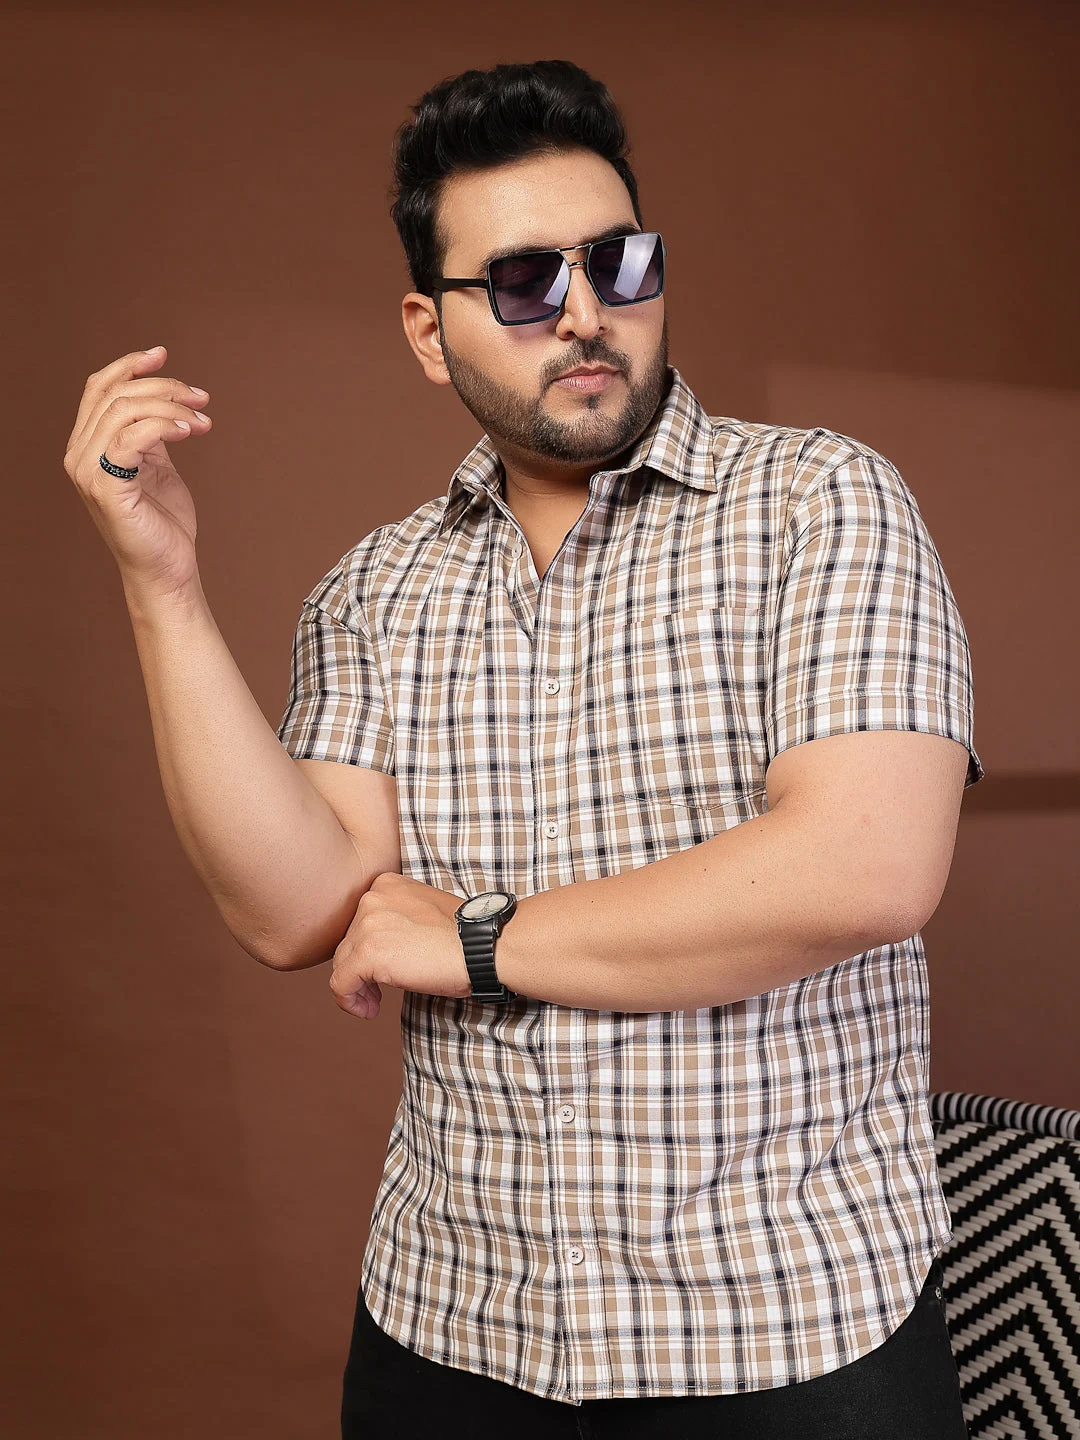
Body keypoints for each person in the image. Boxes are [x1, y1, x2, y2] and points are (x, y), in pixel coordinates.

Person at [63, 57, 979, 1440]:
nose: (588, 313)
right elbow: (295, 909)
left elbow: (866, 868)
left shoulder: (824, 504)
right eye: (524, 282)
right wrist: (164, 585)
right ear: (429, 332)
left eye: (619, 261)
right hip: (452, 1335)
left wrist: (475, 941)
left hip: (789, 1334)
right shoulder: (376, 590)